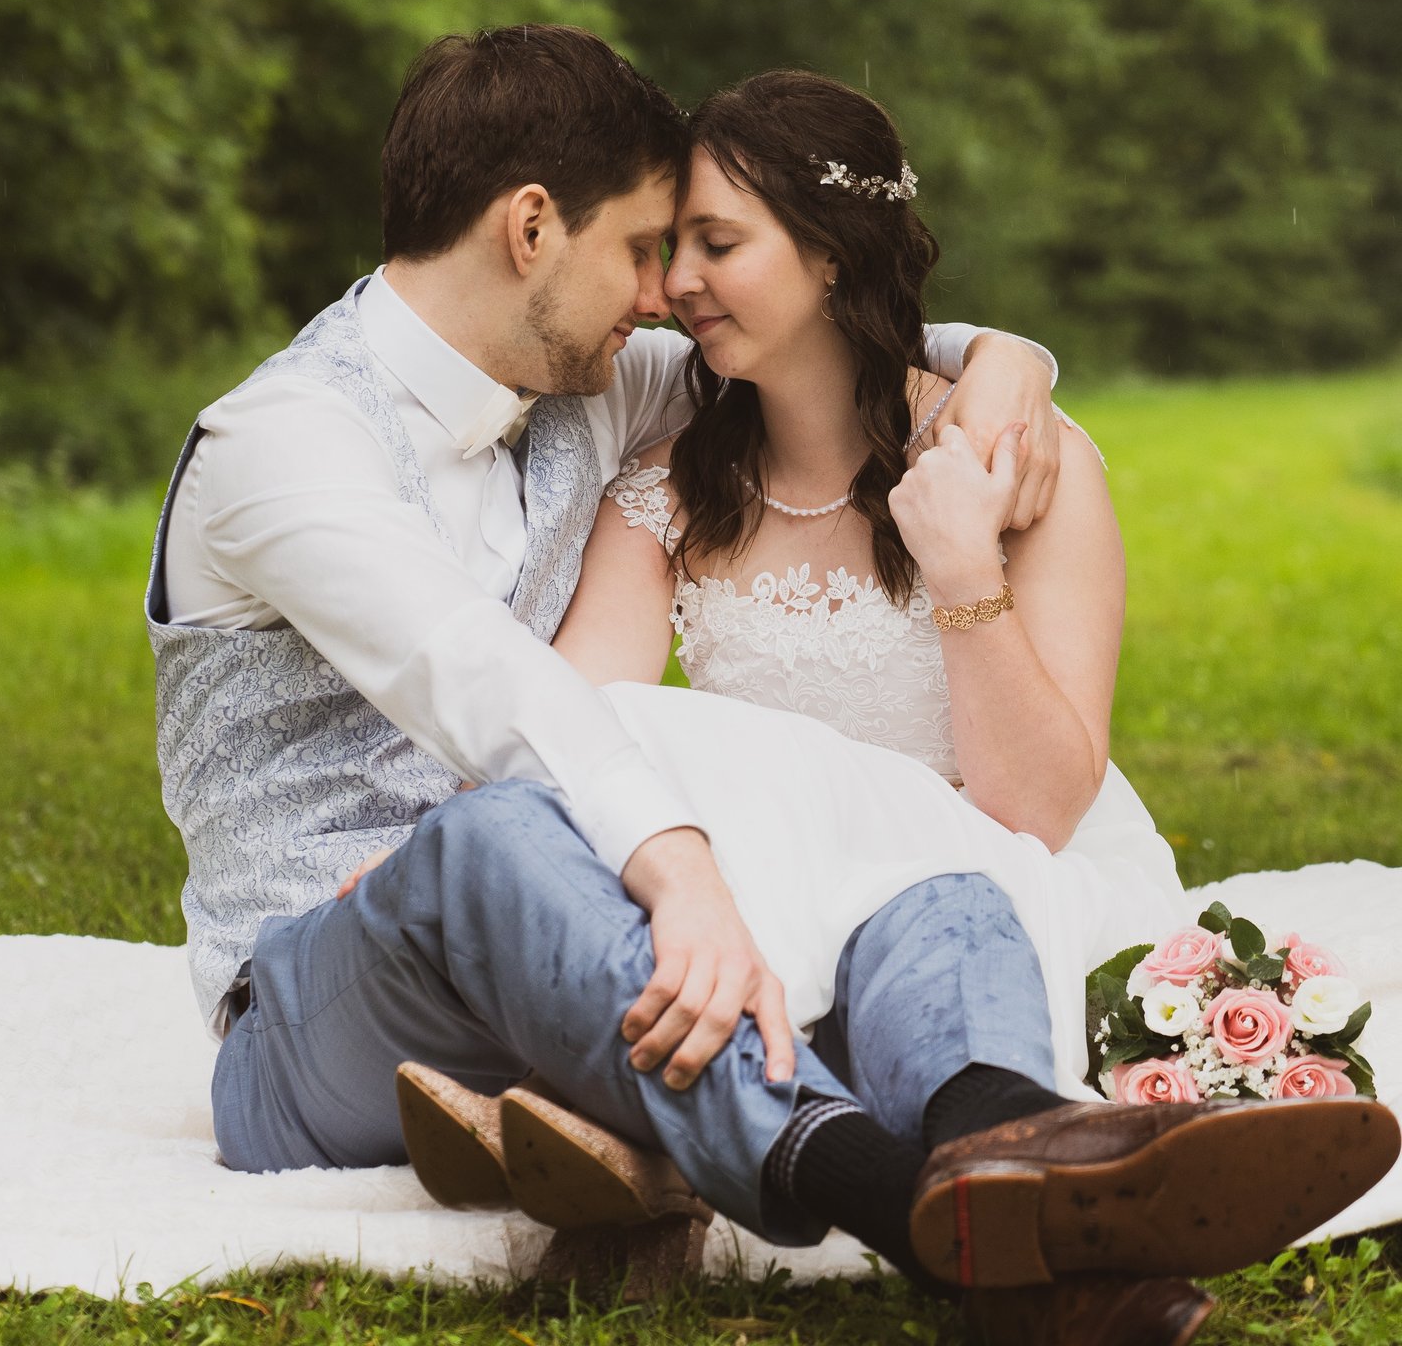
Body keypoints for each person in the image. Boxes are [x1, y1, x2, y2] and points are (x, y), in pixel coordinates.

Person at [386, 67, 1401, 1344]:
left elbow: (1034, 807)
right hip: (783, 900)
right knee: (622, 743)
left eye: (718, 245)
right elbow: (581, 730)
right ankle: (1024, 1243)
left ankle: (652, 1126)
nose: (675, 284)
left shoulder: (1026, 467)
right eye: (672, 248)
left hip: (998, 887)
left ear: (830, 254)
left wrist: (965, 575)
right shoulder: (662, 493)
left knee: (852, 886)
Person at [148, 25, 1058, 1145]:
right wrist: (681, 871)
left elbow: (816, 338)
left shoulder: (585, 384)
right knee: (500, 846)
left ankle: (1016, 1154)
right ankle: (860, 1175)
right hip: (326, 996)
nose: (665, 294)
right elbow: (483, 681)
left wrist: (1009, 360)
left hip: (579, 927)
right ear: (531, 227)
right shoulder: (278, 441)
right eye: (639, 249)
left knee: (922, 891)